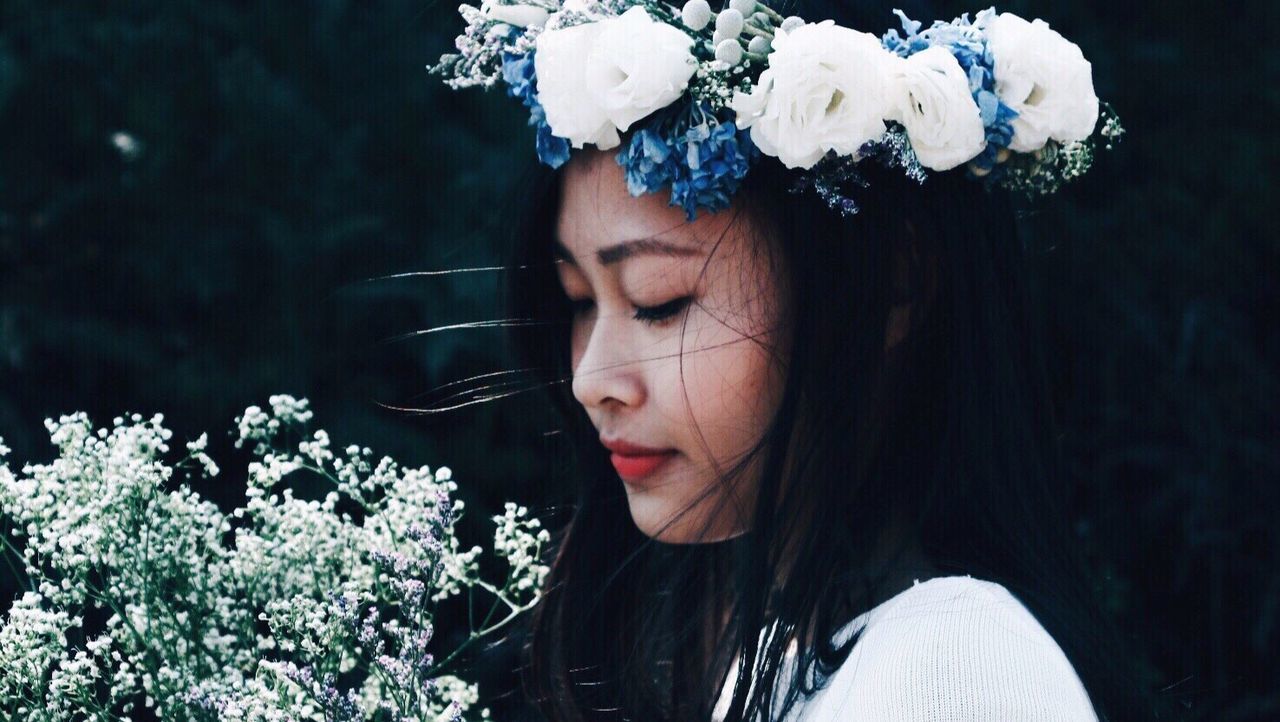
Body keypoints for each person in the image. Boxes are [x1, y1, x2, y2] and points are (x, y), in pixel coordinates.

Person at [429, 0, 1163, 718]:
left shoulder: (956, 670)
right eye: (579, 300)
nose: (591, 380)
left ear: (890, 283)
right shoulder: (788, 656)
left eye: (659, 301)